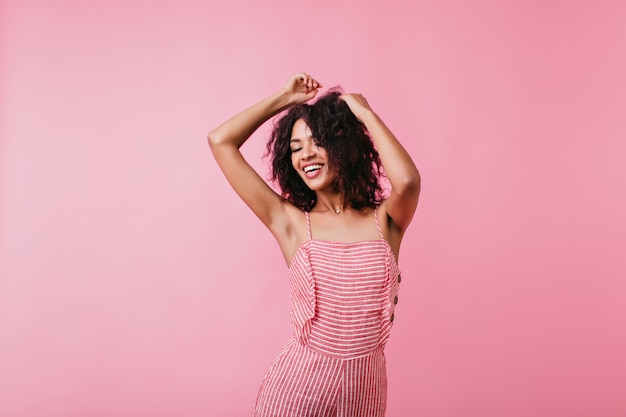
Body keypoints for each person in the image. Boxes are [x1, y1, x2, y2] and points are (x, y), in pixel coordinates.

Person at [207, 73, 420, 417]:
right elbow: (220, 141)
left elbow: (408, 180)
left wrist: (365, 115)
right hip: (297, 388)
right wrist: (284, 98)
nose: (305, 154)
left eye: (316, 141)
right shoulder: (290, 222)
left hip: (365, 391)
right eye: (295, 148)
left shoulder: (386, 222)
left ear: (343, 146)